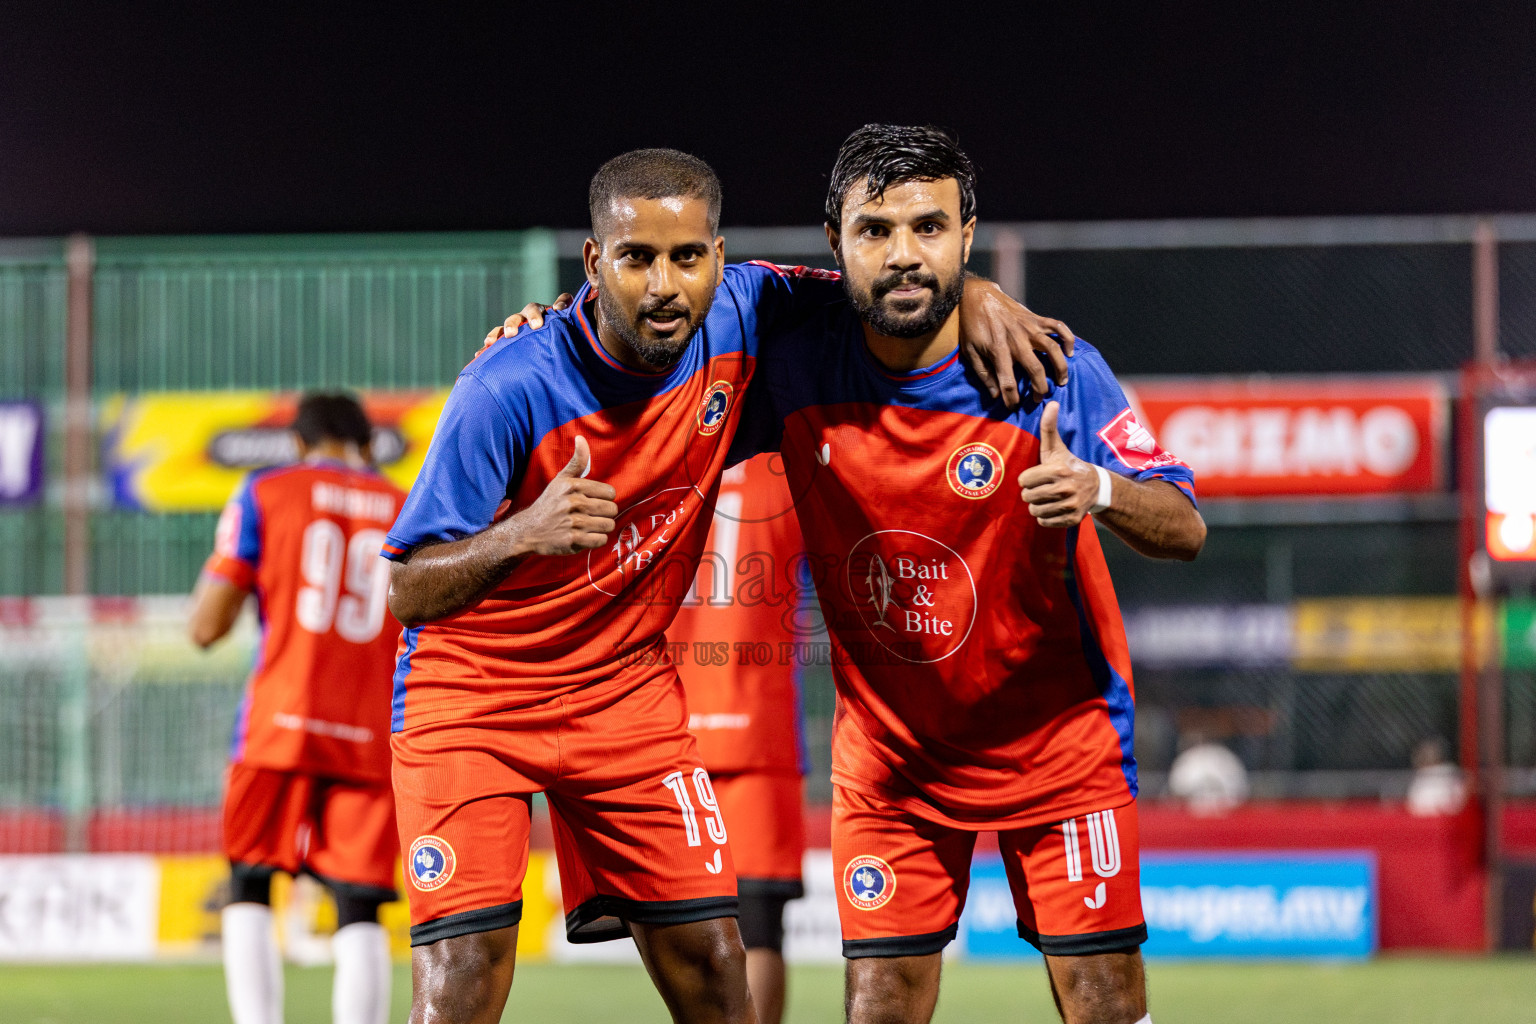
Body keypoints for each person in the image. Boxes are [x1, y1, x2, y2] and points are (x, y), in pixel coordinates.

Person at [382, 147, 1072, 1024]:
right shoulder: (508, 383)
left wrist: (976, 292)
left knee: (717, 969)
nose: (664, 284)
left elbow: (881, 288)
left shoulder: (748, 309)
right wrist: (524, 532)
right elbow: (408, 589)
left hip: (621, 697)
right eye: (636, 258)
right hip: (474, 700)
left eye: (687, 256)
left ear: (720, 254)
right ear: (595, 262)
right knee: (463, 983)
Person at [730, 125, 1207, 1024]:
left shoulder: (1048, 371)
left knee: (1105, 1000)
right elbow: (653, 323)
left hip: (1059, 749)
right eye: (875, 231)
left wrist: (1097, 487)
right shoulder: (792, 367)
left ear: (967, 231)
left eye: (929, 227)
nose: (905, 254)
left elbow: (1184, 525)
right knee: (879, 1004)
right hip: (891, 764)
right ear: (835, 243)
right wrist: (544, 327)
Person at [190, 392, 404, 1024]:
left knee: (250, 883)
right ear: (367, 448)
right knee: (361, 904)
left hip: (277, 727)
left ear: (300, 444)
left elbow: (207, 626)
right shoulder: (404, 505)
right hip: (371, 735)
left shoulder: (264, 492)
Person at [666, 453, 812, 1024]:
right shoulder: (786, 469)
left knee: (675, 929)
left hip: (663, 728)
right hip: (756, 729)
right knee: (760, 927)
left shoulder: (664, 458)